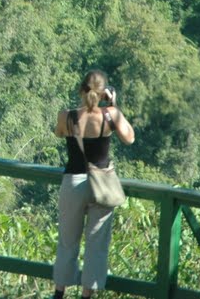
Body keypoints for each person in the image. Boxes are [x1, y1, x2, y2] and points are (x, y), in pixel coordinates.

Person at [50, 70, 135, 299]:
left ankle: (59, 293)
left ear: (81, 90)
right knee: (96, 246)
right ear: (104, 92)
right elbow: (129, 138)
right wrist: (114, 106)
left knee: (67, 241)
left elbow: (59, 133)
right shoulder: (110, 116)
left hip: (73, 181)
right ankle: (86, 295)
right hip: (102, 185)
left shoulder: (66, 116)